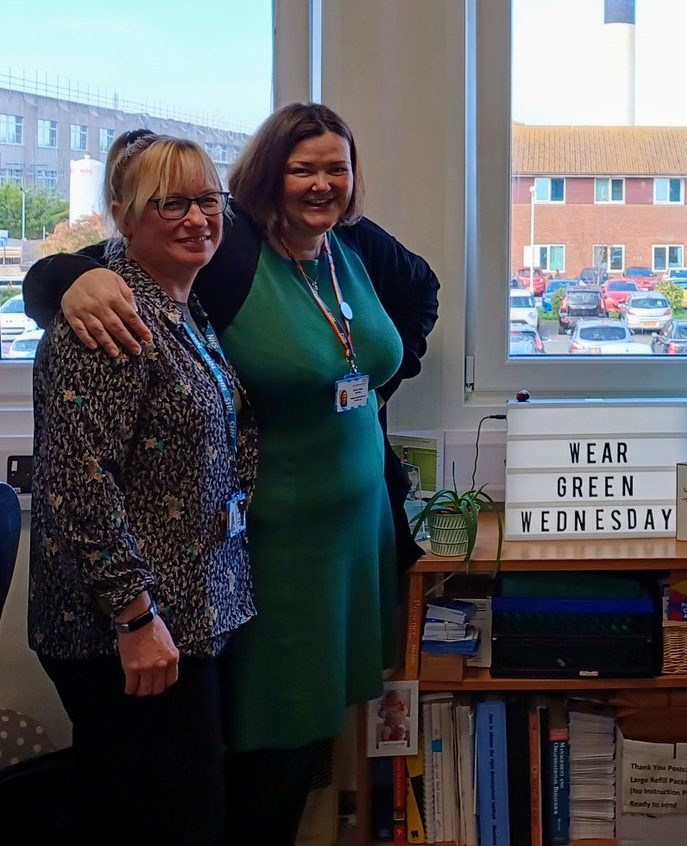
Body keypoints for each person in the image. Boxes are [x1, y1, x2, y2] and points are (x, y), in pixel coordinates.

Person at [24, 103, 440, 846]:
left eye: (336, 167)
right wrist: (67, 280)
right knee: (222, 772)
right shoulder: (229, 250)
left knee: (267, 755)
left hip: (335, 545)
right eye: (302, 167)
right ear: (265, 176)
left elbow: (419, 291)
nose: (322, 183)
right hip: (256, 553)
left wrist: (387, 372)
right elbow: (103, 283)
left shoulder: (350, 242)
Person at [28, 132, 258, 845]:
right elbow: (78, 485)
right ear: (125, 217)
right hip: (130, 629)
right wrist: (134, 619)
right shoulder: (110, 320)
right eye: (171, 204)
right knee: (177, 823)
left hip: (184, 611)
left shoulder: (181, 306)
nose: (197, 218)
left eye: (207, 200)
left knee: (111, 812)